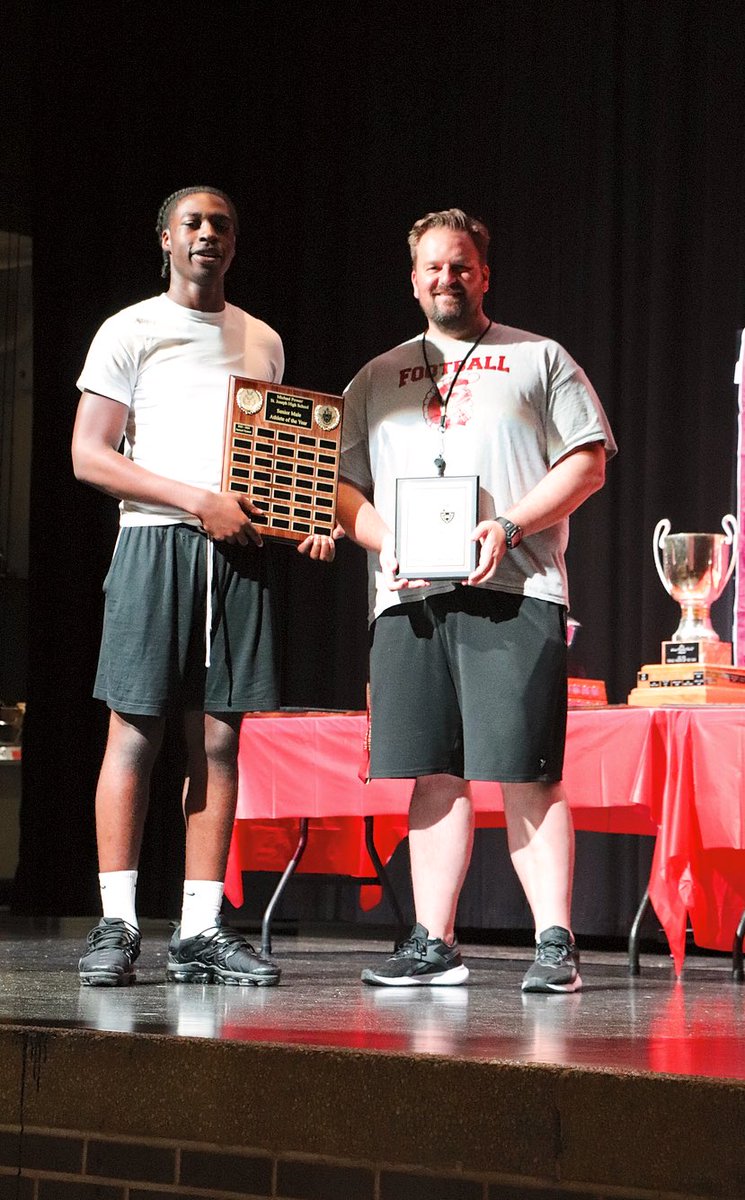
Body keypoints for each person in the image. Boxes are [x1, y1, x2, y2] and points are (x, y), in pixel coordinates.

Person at [338, 208, 616, 992]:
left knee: (525, 770)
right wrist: (382, 541)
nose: (446, 279)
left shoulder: (538, 359)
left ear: (483, 274)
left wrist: (510, 521)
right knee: (433, 772)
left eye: (460, 265)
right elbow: (341, 489)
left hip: (515, 585)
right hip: (408, 596)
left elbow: (587, 463)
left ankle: (554, 946)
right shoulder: (374, 376)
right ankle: (432, 943)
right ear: (413, 279)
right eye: (432, 267)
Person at [72, 185, 336, 987]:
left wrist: (303, 522)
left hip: (237, 558)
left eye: (221, 224)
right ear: (164, 238)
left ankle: (198, 930)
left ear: (235, 242)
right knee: (136, 733)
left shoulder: (262, 341)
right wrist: (196, 501)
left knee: (218, 742)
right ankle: (117, 924)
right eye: (192, 222)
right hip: (154, 544)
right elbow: (90, 455)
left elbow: (275, 471)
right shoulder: (130, 329)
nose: (207, 235)